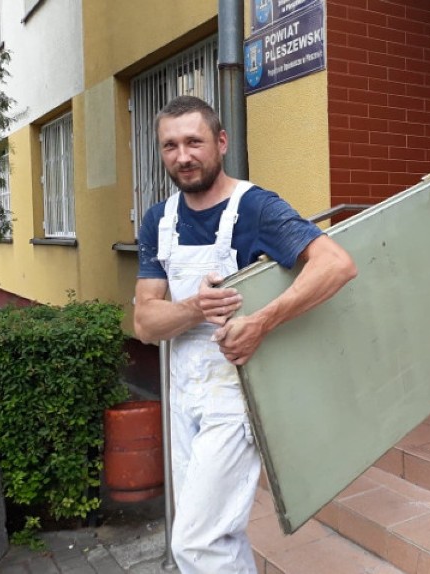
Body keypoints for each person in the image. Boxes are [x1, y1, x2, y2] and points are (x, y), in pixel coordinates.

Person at [133, 95, 357, 572]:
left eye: (194, 142)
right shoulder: (159, 220)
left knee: (195, 542)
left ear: (221, 141)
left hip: (233, 391)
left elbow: (336, 265)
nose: (183, 156)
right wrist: (194, 307)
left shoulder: (257, 208)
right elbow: (144, 323)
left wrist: (261, 321)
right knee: (215, 532)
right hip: (179, 390)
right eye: (170, 146)